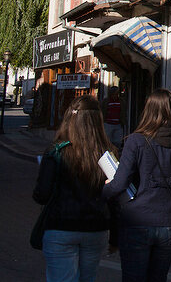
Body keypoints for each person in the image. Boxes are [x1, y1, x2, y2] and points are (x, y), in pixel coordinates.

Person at [103, 88, 171, 282]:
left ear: (148, 110)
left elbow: (120, 183)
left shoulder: (136, 141)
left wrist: (102, 191)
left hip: (136, 221)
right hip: (168, 222)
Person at [33, 94, 115, 282]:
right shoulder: (107, 153)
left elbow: (41, 195)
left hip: (61, 225)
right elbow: (115, 196)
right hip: (96, 227)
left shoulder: (57, 151)